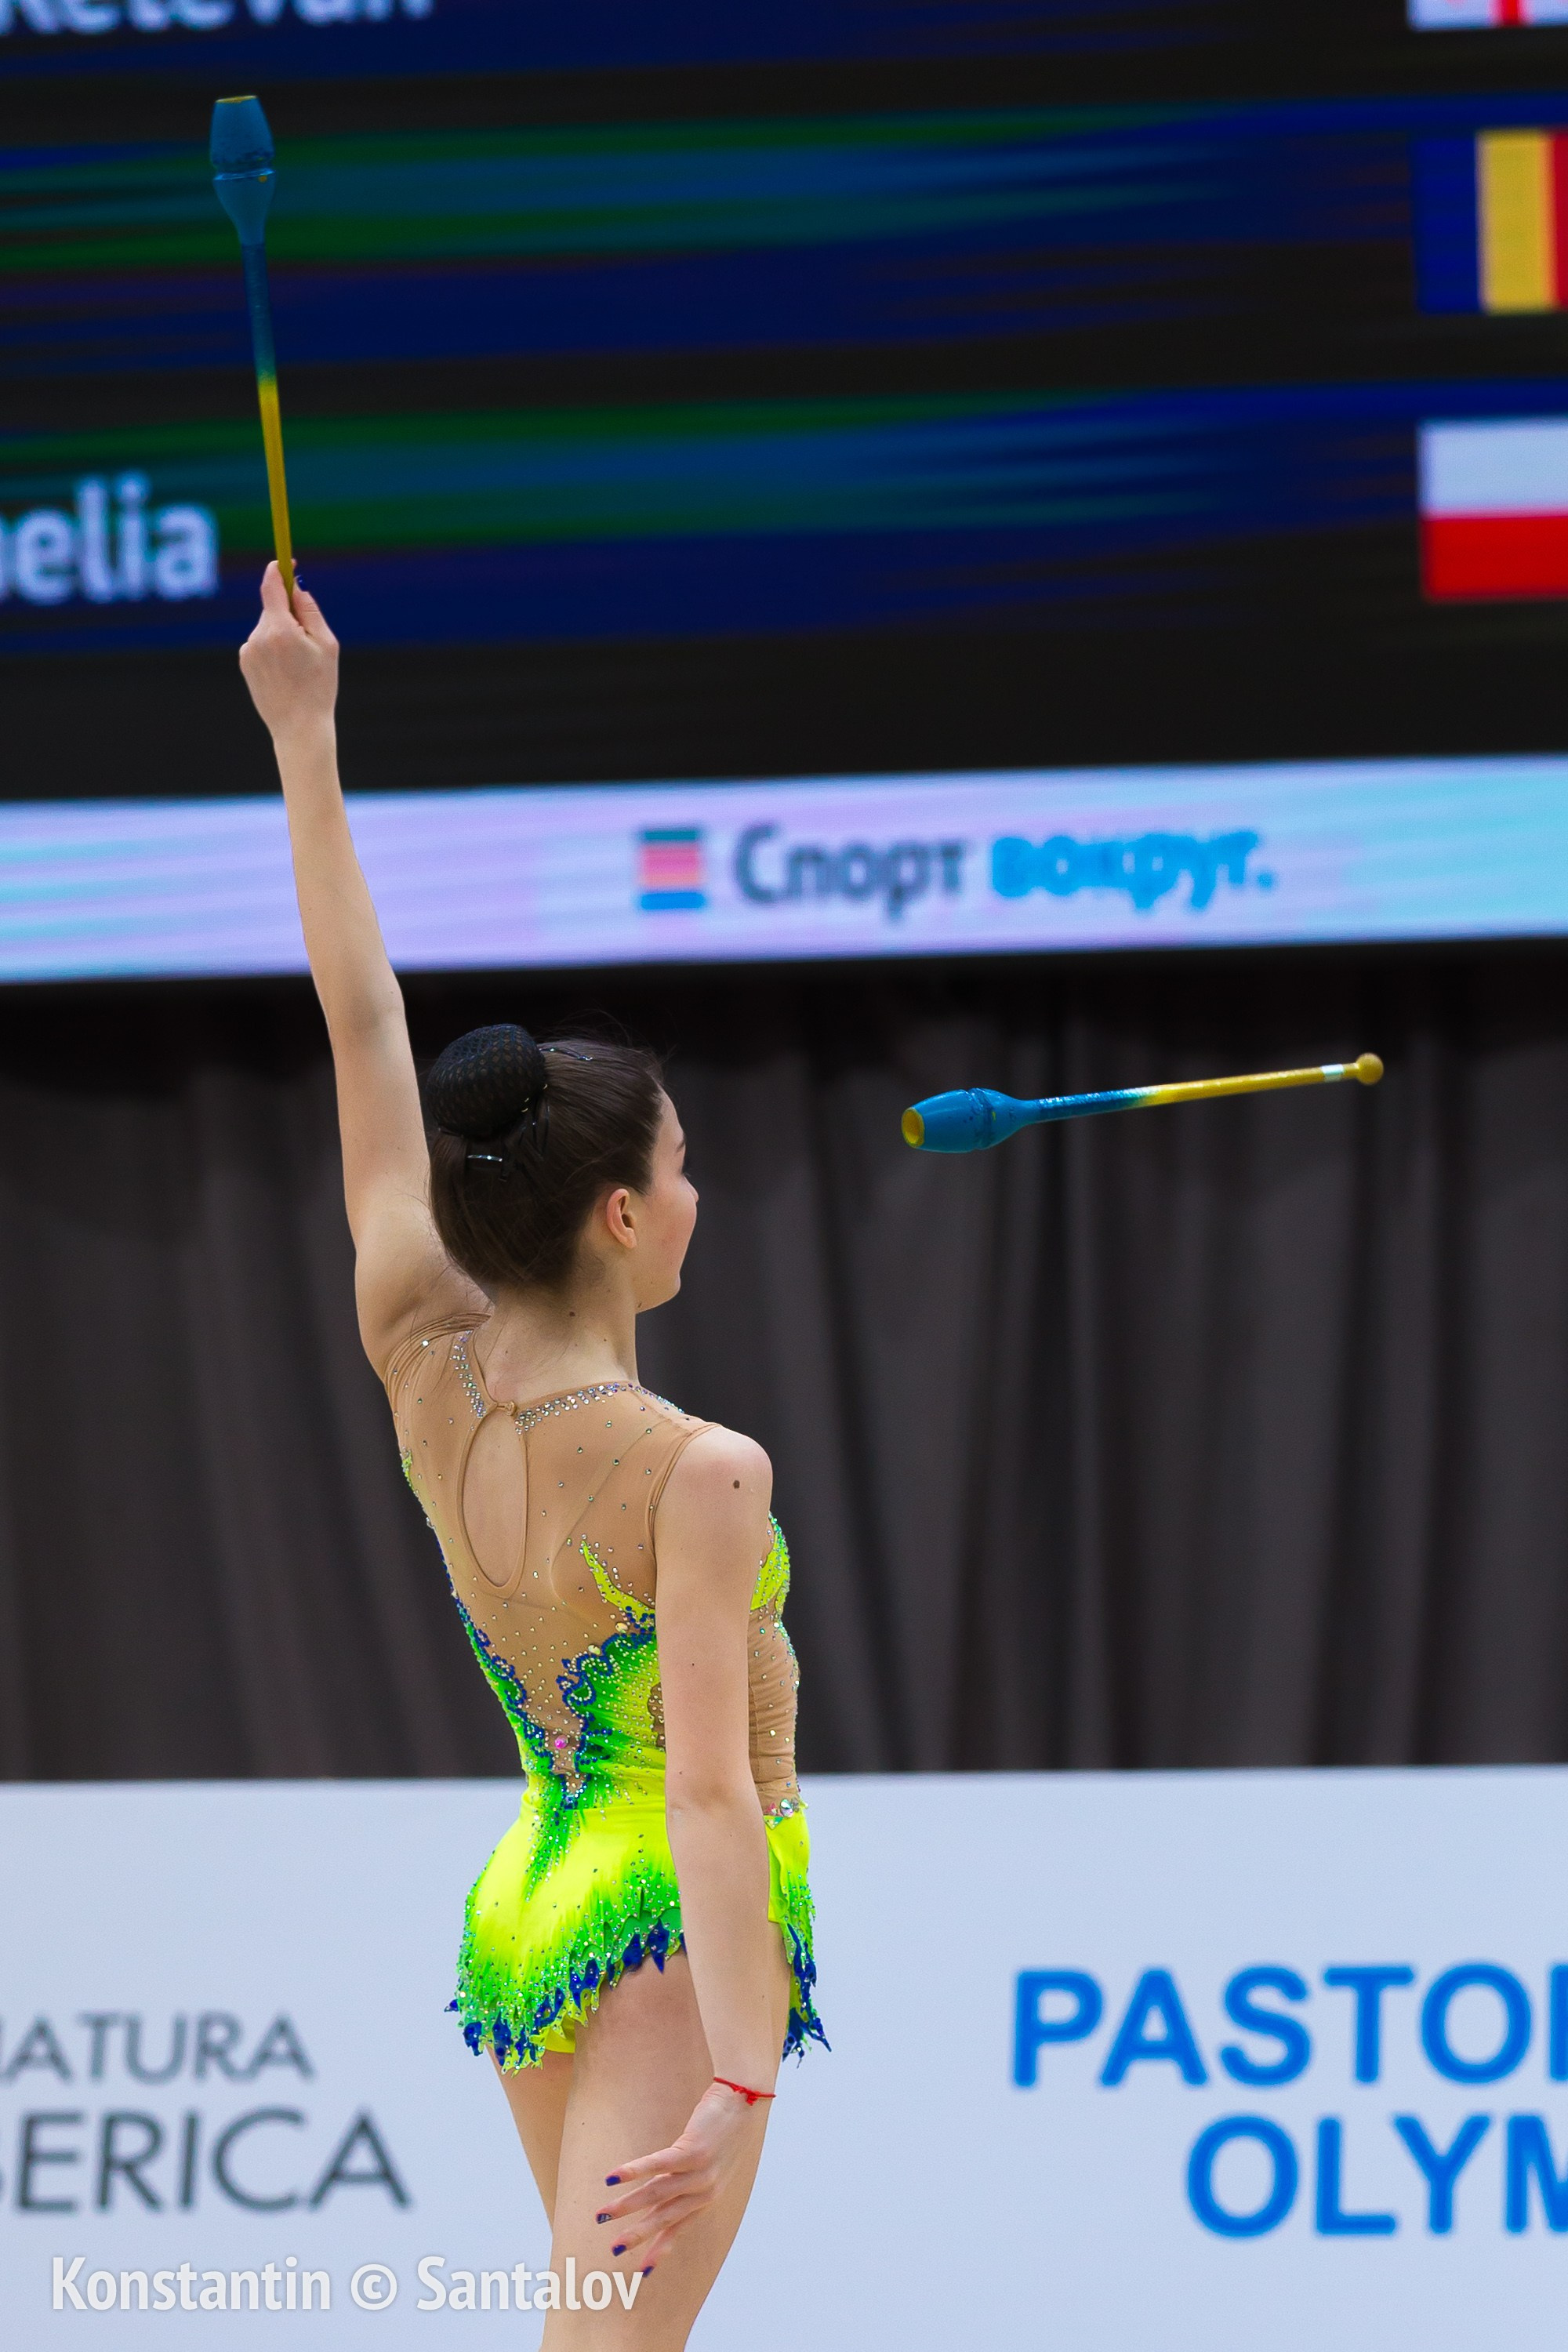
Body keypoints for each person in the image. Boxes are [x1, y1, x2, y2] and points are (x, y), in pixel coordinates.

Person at [238, 563, 826, 2344]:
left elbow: (359, 1023)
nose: (703, 1196)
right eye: (690, 1168)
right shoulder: (697, 1470)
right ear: (630, 1215)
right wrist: (742, 2083)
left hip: (534, 1900)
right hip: (656, 1924)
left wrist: (304, 742)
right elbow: (715, 1794)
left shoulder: (421, 1335)